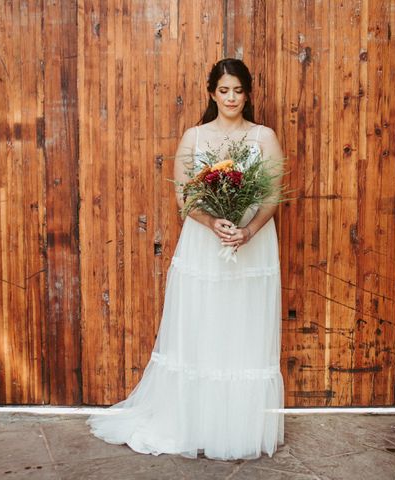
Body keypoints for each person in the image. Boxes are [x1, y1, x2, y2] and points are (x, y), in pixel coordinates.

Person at [86, 58, 285, 461]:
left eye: (239, 90)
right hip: (204, 244)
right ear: (212, 92)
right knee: (204, 325)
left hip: (252, 244)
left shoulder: (264, 137)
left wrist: (246, 231)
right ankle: (195, 421)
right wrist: (214, 223)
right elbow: (184, 198)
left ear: (248, 93)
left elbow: (272, 195)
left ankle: (237, 426)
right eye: (224, 90)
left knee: (243, 328)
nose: (231, 98)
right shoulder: (194, 136)